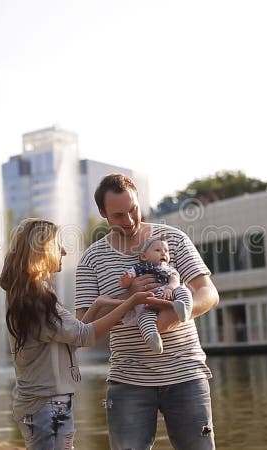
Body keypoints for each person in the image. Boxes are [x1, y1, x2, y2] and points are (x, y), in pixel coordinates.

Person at [75, 174, 220, 450]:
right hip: (128, 380)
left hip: (186, 374)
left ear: (139, 200)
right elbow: (85, 329)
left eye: (133, 209)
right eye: (118, 215)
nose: (129, 220)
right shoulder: (91, 259)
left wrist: (174, 315)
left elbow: (208, 293)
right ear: (103, 213)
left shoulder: (173, 239)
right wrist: (128, 299)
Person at [0, 218, 161, 450]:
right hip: (48, 405)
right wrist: (132, 301)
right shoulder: (35, 299)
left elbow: (70, 340)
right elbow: (84, 336)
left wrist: (96, 306)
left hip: (46, 404)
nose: (63, 251)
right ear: (42, 250)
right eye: (58, 245)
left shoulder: (29, 293)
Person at [119, 235, 192, 353]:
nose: (163, 253)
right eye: (158, 250)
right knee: (144, 318)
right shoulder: (139, 268)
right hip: (149, 303)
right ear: (143, 256)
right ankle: (152, 339)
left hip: (169, 296)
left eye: (166, 251)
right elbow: (126, 283)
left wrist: (170, 288)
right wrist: (126, 280)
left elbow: (175, 280)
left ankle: (184, 309)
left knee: (183, 290)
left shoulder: (167, 268)